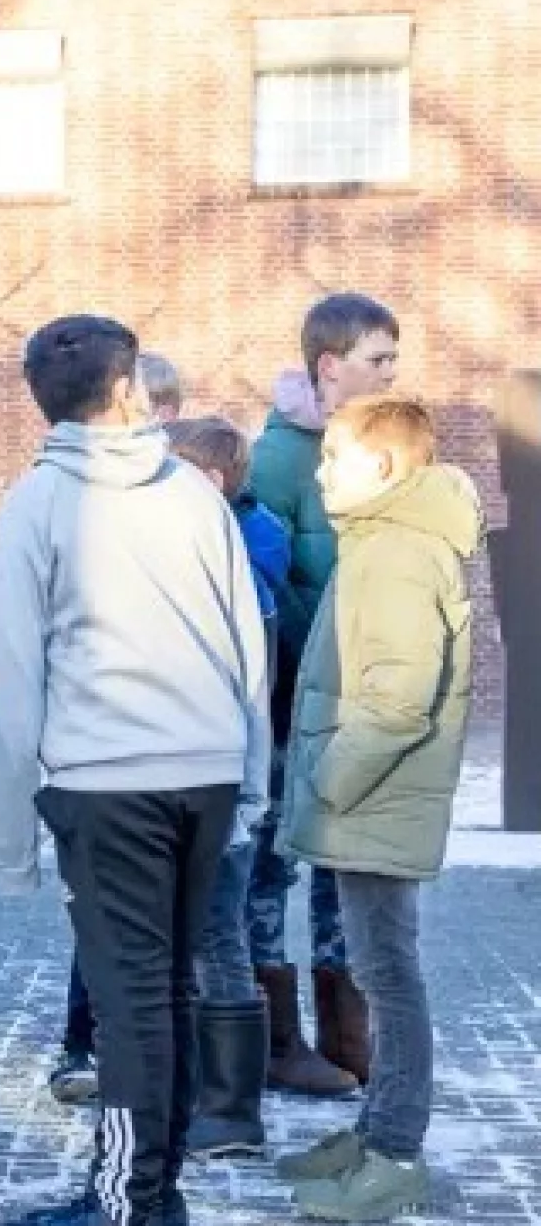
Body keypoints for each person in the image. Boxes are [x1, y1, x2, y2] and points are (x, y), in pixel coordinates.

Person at [0, 316, 268, 1226]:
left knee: (129, 1001)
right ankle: (158, 1195)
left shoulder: (36, 502)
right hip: (206, 770)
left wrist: (11, 840)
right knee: (167, 988)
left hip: (106, 781)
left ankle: (121, 1213)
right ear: (128, 389)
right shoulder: (194, 493)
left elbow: (14, 678)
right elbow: (246, 643)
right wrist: (251, 776)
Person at [275, 395, 480, 1225]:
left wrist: (326, 781)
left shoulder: (396, 551)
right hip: (372, 801)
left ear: (386, 466)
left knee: (389, 976)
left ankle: (393, 1152)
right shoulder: (384, 540)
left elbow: (397, 701)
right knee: (379, 970)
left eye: (335, 456)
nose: (321, 470)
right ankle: (373, 1135)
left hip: (374, 801)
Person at [247, 294, 401, 1094]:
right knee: (274, 865)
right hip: (290, 703)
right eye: (379, 359)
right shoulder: (277, 461)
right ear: (330, 365)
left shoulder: (382, 450)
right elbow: (267, 590)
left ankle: (348, 1036)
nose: (392, 373)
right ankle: (274, 1040)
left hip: (361, 703)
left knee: (345, 865)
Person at [48, 351, 184, 1108]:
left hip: (176, 745)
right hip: (101, 745)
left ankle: (154, 1058)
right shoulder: (76, 501)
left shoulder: (190, 504)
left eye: (159, 410)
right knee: (99, 913)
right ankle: (85, 1044)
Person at [163, 415, 292, 1160]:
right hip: (219, 784)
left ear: (209, 481)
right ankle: (212, 1096)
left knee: (215, 936)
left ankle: (231, 1108)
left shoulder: (232, 580)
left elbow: (244, 698)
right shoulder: (219, 569)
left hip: (222, 788)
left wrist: (242, 796)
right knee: (208, 936)